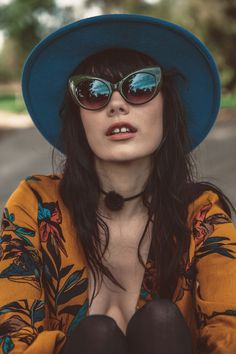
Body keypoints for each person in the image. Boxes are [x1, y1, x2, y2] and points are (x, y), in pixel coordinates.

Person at [0, 13, 235, 354]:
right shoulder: (35, 206)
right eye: (92, 92)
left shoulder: (201, 215)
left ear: (168, 107)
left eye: (140, 87)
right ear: (78, 119)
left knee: (162, 319)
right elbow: (12, 342)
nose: (117, 104)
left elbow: (229, 333)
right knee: (97, 334)